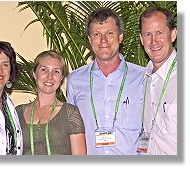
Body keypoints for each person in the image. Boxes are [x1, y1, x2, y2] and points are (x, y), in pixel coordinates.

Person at [67, 7, 145, 155]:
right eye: (97, 34)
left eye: (109, 33)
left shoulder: (143, 77)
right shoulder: (75, 80)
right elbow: (72, 132)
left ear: (120, 37)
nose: (103, 40)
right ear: (90, 40)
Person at [16, 50, 86, 155]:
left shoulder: (70, 113)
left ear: (62, 77)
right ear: (35, 74)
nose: (50, 76)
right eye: (44, 70)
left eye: (56, 71)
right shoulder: (18, 112)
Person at [138, 7, 177, 155]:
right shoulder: (144, 78)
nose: (154, 41)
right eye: (148, 34)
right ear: (141, 39)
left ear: (173, 34)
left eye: (159, 33)